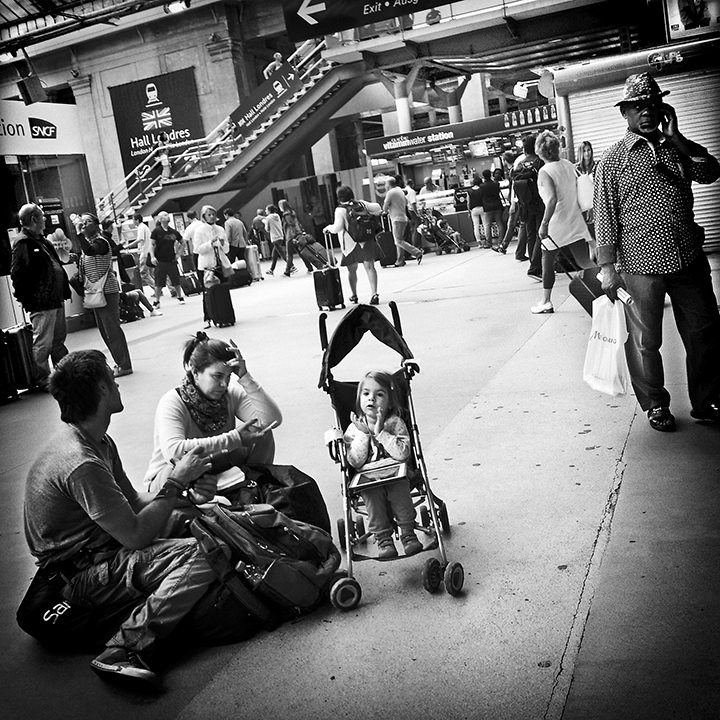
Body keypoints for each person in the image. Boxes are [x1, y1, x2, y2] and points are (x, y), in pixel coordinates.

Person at [22, 349, 216, 684]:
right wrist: (176, 481)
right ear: (100, 389)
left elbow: (136, 502)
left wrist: (184, 492)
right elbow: (137, 536)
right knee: (206, 553)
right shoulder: (81, 462)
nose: (117, 382)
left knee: (198, 518)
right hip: (80, 573)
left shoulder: (98, 442)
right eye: (111, 377)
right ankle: (124, 648)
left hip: (101, 548)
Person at [595, 72, 720, 431]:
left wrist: (677, 137)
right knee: (646, 340)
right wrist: (607, 266)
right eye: (636, 106)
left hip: (688, 259)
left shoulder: (676, 148)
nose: (645, 112)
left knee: (704, 331)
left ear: (662, 108)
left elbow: (710, 170)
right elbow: (605, 215)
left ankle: (708, 400)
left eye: (651, 104)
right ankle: (654, 404)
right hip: (640, 265)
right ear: (625, 114)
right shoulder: (614, 159)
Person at [145, 332, 282, 492]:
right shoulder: (173, 401)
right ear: (196, 373)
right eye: (217, 376)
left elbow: (272, 420)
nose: (224, 384)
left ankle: (254, 488)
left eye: (228, 376)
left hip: (211, 466)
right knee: (177, 467)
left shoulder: (230, 394)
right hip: (173, 476)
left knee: (261, 433)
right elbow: (174, 452)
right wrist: (235, 438)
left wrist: (245, 377)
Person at [343, 371, 423, 559]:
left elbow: (403, 454)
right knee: (372, 498)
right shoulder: (354, 428)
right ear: (359, 400)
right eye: (366, 394)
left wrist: (381, 433)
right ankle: (383, 538)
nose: (372, 398)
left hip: (397, 472)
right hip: (368, 476)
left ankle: (408, 533)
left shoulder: (395, 423)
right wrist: (363, 434)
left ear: (390, 403)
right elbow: (355, 461)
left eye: (379, 394)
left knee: (400, 492)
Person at [10, 203, 70, 390]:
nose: (45, 219)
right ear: (34, 219)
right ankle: (43, 379)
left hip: (54, 297)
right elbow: (17, 274)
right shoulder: (23, 243)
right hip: (42, 301)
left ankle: (61, 375)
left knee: (58, 339)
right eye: (42, 216)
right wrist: (26, 298)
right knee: (43, 342)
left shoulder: (41, 241)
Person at [531, 131, 592, 314]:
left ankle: (546, 301)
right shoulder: (567, 165)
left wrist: (544, 224)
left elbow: (551, 200)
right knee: (584, 260)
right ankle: (605, 287)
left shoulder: (545, 171)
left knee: (547, 261)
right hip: (574, 219)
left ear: (540, 151)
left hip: (556, 223)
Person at [77, 213, 133, 378]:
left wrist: (78, 233)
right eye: (82, 223)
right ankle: (119, 361)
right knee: (105, 331)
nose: (84, 225)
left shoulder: (101, 242)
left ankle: (124, 364)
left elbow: (90, 252)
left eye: (87, 222)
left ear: (96, 225)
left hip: (106, 291)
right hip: (97, 291)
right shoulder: (91, 242)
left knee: (112, 329)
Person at [324, 185, 381, 305]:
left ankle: (354, 295)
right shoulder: (361, 204)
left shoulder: (340, 209)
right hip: (366, 239)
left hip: (350, 244)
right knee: (370, 267)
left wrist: (328, 228)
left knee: (352, 270)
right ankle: (374, 294)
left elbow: (338, 227)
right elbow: (377, 208)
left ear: (339, 197)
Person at [512, 134, 545, 277]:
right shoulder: (539, 162)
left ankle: (533, 262)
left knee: (531, 235)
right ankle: (536, 266)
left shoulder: (518, 164)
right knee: (541, 234)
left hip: (524, 204)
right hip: (539, 202)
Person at [192, 205, 229, 328]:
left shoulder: (220, 229)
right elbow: (197, 249)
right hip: (206, 265)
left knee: (223, 290)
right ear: (204, 216)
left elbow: (227, 249)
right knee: (208, 291)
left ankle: (224, 315)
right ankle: (208, 317)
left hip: (220, 264)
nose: (212, 217)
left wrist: (223, 244)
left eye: (213, 214)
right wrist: (210, 243)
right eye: (209, 215)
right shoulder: (200, 230)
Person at [383, 176, 422, 267]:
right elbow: (405, 202)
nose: (385, 186)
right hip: (403, 218)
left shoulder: (390, 192)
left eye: (385, 184)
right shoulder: (399, 190)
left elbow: (385, 207)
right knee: (399, 240)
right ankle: (400, 261)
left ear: (389, 184)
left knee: (398, 241)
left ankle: (417, 252)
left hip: (396, 219)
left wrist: (386, 210)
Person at [149, 211, 185, 308]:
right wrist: (152, 256)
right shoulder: (156, 231)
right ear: (160, 219)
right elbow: (152, 245)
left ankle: (180, 296)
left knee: (175, 279)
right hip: (160, 260)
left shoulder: (173, 232)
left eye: (167, 215)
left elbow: (183, 242)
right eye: (165, 215)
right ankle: (157, 301)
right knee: (159, 282)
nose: (167, 216)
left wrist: (178, 254)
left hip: (171, 260)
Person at [279, 198, 313, 274]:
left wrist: (293, 236)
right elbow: (297, 223)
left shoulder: (286, 214)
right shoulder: (292, 212)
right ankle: (309, 267)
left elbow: (291, 225)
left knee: (289, 254)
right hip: (297, 234)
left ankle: (287, 271)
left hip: (290, 236)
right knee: (301, 252)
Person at [478, 169, 507, 251]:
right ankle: (501, 241)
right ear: (491, 175)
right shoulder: (496, 184)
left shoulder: (482, 186)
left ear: (483, 176)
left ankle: (489, 243)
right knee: (499, 224)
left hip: (487, 207)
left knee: (487, 225)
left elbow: (481, 196)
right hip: (497, 205)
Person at [125, 213, 155, 290]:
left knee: (143, 273)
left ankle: (156, 288)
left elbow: (140, 239)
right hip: (148, 251)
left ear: (137, 220)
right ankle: (157, 289)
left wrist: (128, 245)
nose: (133, 222)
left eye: (133, 220)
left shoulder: (141, 228)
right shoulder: (145, 227)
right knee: (150, 273)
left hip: (145, 252)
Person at [575, 140, 597, 247]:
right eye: (584, 151)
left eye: (589, 150)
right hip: (582, 205)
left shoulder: (597, 166)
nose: (587, 153)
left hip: (596, 203)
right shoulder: (576, 169)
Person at [264, 204, 289, 276]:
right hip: (280, 236)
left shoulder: (268, 218)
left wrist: (265, 222)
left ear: (269, 210)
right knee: (274, 254)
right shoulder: (277, 215)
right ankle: (271, 269)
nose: (265, 211)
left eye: (266, 209)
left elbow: (267, 229)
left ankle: (291, 266)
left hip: (274, 238)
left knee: (282, 254)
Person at [467, 174, 487, 247]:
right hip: (482, 208)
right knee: (485, 224)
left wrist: (469, 211)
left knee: (476, 226)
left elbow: (468, 202)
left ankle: (479, 243)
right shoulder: (482, 189)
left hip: (474, 210)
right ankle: (487, 240)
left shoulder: (469, 191)